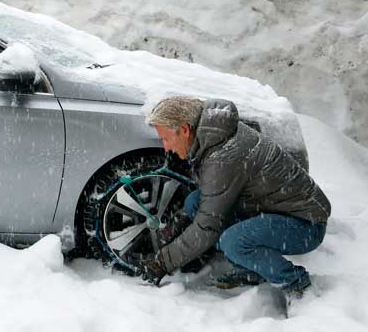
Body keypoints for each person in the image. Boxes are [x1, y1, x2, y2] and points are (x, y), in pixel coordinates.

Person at [129, 96, 331, 299]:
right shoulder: (216, 135)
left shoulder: (222, 157)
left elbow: (208, 227)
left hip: (305, 224)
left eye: (166, 139)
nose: (166, 147)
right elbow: (210, 201)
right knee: (194, 203)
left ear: (184, 130)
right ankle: (253, 269)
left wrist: (161, 262)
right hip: (275, 210)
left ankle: (298, 287)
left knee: (233, 242)